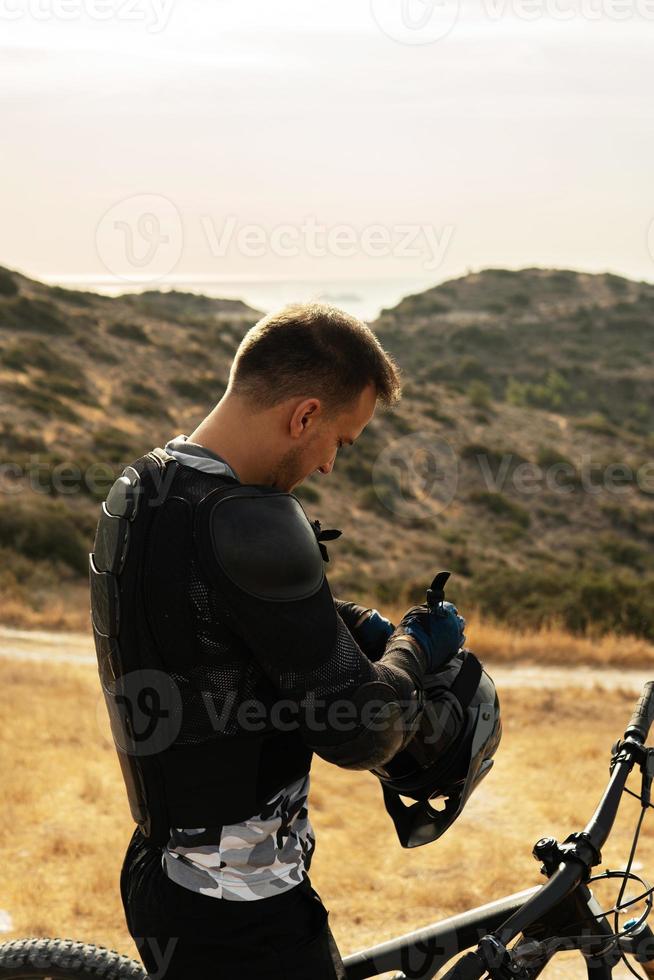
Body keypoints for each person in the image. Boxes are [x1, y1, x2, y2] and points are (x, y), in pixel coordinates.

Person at [92, 303, 466, 979]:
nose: (327, 466)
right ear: (304, 415)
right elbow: (364, 728)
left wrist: (342, 618)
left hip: (161, 871)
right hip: (246, 913)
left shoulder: (143, 487)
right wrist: (417, 641)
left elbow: (209, 613)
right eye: (340, 442)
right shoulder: (257, 522)